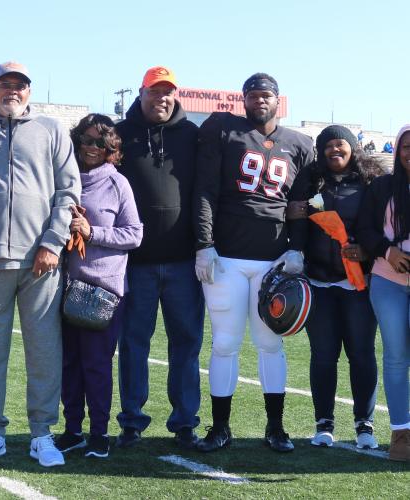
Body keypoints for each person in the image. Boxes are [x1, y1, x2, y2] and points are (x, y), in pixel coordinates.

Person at [0, 62, 81, 467]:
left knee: (44, 349)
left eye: (20, 86)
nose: (13, 91)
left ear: (29, 91)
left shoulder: (52, 130)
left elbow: (68, 191)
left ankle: (42, 433)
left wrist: (52, 242)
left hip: (41, 260)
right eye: (6, 84)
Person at [194, 72, 314, 453]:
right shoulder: (225, 130)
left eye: (267, 95)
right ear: (243, 100)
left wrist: (298, 248)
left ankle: (275, 427)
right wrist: (204, 243)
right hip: (227, 256)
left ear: (278, 100)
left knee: (269, 344)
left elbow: (305, 202)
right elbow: (206, 190)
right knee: (225, 343)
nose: (260, 100)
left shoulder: (298, 143)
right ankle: (220, 428)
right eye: (253, 95)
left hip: (273, 261)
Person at [115, 66, 204, 449]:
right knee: (134, 343)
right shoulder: (120, 134)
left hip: (185, 263)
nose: (162, 98)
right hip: (136, 262)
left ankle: (185, 422)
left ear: (175, 95)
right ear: (142, 92)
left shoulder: (192, 136)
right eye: (155, 92)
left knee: (186, 343)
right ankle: (132, 422)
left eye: (168, 92)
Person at [288, 125, 384, 449]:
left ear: (352, 147)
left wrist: (367, 251)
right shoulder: (310, 179)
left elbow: (380, 226)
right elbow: (296, 219)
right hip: (319, 281)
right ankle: (324, 423)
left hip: (358, 284)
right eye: (327, 146)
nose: (334, 150)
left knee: (361, 354)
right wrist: (297, 253)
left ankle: (364, 425)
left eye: (339, 144)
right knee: (324, 355)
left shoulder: (371, 182)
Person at [55, 114, 142, 459]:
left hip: (101, 289)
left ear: (111, 149)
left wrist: (93, 233)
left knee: (96, 364)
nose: (92, 148)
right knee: (69, 364)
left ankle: (99, 433)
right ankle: (72, 429)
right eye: (87, 140)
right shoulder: (65, 179)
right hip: (64, 286)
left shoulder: (118, 183)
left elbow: (134, 234)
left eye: (100, 143)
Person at [357, 124, 410, 462]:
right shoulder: (381, 187)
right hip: (388, 279)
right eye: (406, 146)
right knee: (395, 357)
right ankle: (402, 434)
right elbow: (364, 228)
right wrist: (388, 251)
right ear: (398, 149)